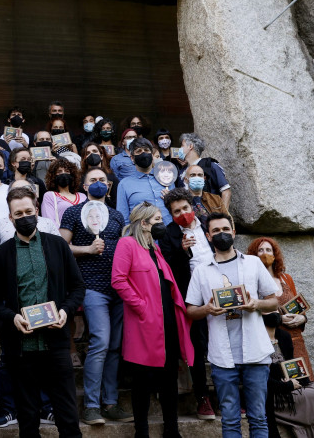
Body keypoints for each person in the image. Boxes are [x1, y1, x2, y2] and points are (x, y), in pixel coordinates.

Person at [0, 186, 85, 438]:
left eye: (28, 211)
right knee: (27, 419)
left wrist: (65, 310)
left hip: (56, 343)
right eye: (18, 213)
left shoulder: (58, 246)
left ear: (37, 210)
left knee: (68, 416)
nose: (24, 217)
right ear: (10, 218)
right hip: (21, 347)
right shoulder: (0, 255)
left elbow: (77, 287)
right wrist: (12, 317)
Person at [185, 212, 281, 438]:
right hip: (222, 357)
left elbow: (274, 301)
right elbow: (190, 310)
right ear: (208, 236)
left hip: (256, 353)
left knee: (258, 417)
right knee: (229, 419)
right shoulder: (201, 270)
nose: (221, 234)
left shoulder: (254, 263)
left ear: (234, 232)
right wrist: (207, 309)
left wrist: (256, 304)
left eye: (225, 229)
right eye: (216, 231)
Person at [112, 202, 194, 438]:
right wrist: (141, 307)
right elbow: (118, 280)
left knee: (169, 377)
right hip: (144, 322)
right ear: (144, 222)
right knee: (142, 380)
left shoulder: (155, 248)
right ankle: (142, 432)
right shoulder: (127, 244)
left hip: (166, 320)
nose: (162, 224)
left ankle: (172, 429)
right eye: (157, 219)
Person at [59, 168, 131, 425]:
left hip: (118, 288)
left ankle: (110, 402)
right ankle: (91, 405)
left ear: (108, 186)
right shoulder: (73, 212)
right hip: (91, 287)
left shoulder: (117, 215)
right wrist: (88, 248)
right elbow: (62, 247)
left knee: (114, 346)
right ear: (84, 186)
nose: (98, 184)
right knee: (100, 340)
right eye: (93, 180)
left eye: (102, 180)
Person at [160, 187, 216, 421]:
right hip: (192, 298)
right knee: (198, 347)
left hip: (219, 290)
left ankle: (228, 396)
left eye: (185, 208)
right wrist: (182, 252)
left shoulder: (208, 226)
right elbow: (167, 269)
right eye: (177, 211)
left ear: (192, 207)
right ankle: (202, 397)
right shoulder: (168, 234)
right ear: (171, 214)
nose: (183, 213)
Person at [246, 237, 312, 377]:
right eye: (261, 250)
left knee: (304, 380)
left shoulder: (286, 278)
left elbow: (299, 307)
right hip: (274, 342)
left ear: (275, 255)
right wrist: (279, 319)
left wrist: (302, 318)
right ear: (254, 255)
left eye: (269, 250)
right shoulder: (251, 282)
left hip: (296, 339)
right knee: (285, 385)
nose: (265, 253)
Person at [116, 138, 173, 225]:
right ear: (132, 158)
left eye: (146, 150)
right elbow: (123, 218)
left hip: (168, 234)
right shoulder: (124, 184)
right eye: (139, 151)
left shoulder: (167, 178)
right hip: (141, 235)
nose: (143, 153)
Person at [0, 180, 60, 247]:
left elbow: (58, 246)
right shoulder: (0, 224)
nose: (21, 193)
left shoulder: (48, 223)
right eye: (15, 190)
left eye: (26, 189)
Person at [178, 132, 231, 212]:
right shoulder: (182, 172)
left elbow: (226, 191)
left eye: (182, 146)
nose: (180, 149)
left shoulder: (210, 166)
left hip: (210, 215)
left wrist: (223, 216)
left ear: (190, 146)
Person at [42, 158, 87, 225]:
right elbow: (49, 221)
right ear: (53, 176)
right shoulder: (50, 196)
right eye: (59, 172)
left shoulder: (82, 196)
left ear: (72, 175)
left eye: (67, 171)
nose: (63, 174)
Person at [81, 141, 118, 208]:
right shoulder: (80, 179)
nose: (92, 154)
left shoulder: (112, 178)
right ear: (85, 158)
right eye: (88, 153)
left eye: (94, 151)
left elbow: (116, 204)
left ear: (101, 156)